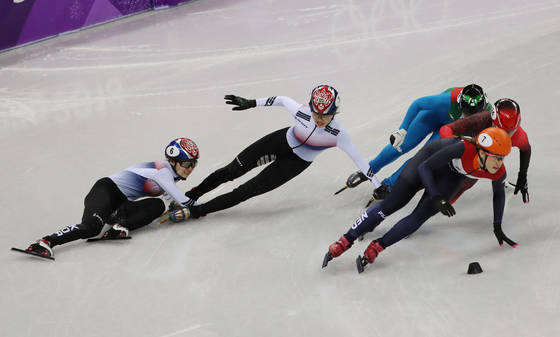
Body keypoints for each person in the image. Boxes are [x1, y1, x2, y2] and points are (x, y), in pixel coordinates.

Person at [322, 127, 515, 273]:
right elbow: (425, 168)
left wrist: (497, 225)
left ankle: (377, 247)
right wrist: (436, 195)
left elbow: (498, 193)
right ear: (481, 152)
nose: (499, 164)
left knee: (419, 217)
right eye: (497, 158)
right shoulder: (463, 148)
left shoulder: (497, 172)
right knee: (392, 204)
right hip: (427, 163)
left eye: (503, 158)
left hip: (451, 177)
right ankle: (345, 240)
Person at [178, 85, 381, 220]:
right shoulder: (301, 111)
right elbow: (282, 100)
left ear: (334, 113)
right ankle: (190, 196)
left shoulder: (339, 134)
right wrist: (251, 102)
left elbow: (358, 159)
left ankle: (197, 211)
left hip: (294, 164)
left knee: (244, 191)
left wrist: (377, 184)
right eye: (316, 113)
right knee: (230, 171)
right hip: (278, 142)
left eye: (325, 115)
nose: (319, 119)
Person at [15, 138, 200, 260]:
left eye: (193, 164)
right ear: (174, 161)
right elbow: (184, 201)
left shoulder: (169, 174)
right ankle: (45, 242)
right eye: (186, 164)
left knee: (157, 205)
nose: (189, 169)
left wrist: (175, 206)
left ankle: (119, 226)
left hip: (120, 202)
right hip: (105, 191)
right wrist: (203, 209)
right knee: (91, 227)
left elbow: (170, 197)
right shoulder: (163, 172)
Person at [341, 84, 493, 201]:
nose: (468, 117)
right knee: (400, 146)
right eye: (465, 113)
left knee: (423, 156)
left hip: (450, 128)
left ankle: (390, 184)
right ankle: (369, 170)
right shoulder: (448, 100)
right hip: (433, 116)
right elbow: (418, 104)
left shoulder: (488, 114)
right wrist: (402, 130)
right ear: (459, 104)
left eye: (473, 115)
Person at [440, 98, 531, 204]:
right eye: (500, 129)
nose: (504, 135)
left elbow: (526, 150)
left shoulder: (518, 135)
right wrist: (451, 150)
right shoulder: (480, 120)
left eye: (509, 132)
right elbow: (446, 129)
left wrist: (522, 177)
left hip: (477, 164)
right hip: (462, 152)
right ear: (492, 120)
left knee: (449, 199)